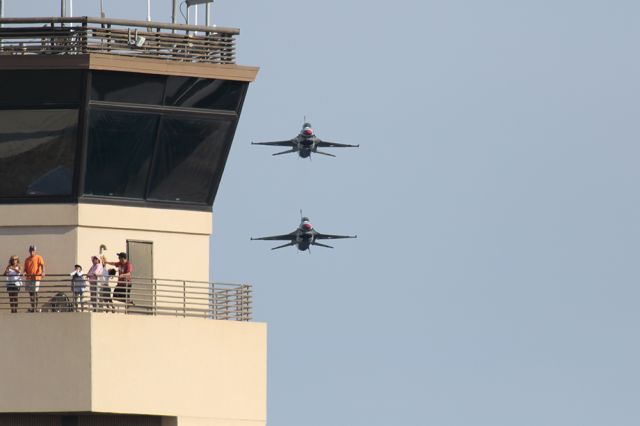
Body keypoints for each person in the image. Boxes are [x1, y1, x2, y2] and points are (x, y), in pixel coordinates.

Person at [23, 245, 45, 312]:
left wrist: (43, 272)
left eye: (33, 250)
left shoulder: (39, 257)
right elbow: (25, 269)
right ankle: (33, 307)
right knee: (31, 293)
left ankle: (35, 307)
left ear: (35, 251)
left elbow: (42, 265)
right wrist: (24, 272)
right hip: (29, 278)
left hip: (36, 277)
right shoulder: (27, 259)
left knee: (35, 292)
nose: (31, 252)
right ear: (29, 251)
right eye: (30, 250)